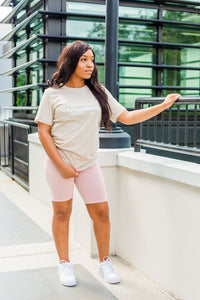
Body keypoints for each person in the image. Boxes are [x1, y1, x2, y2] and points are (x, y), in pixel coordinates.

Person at [35, 40, 181, 287]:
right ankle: (64, 264)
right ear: (71, 61)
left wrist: (163, 105)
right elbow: (43, 132)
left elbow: (127, 117)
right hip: (60, 163)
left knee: (101, 212)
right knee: (62, 213)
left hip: (89, 164)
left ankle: (104, 261)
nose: (90, 64)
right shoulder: (53, 94)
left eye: (92, 59)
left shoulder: (98, 92)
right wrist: (60, 165)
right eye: (84, 60)